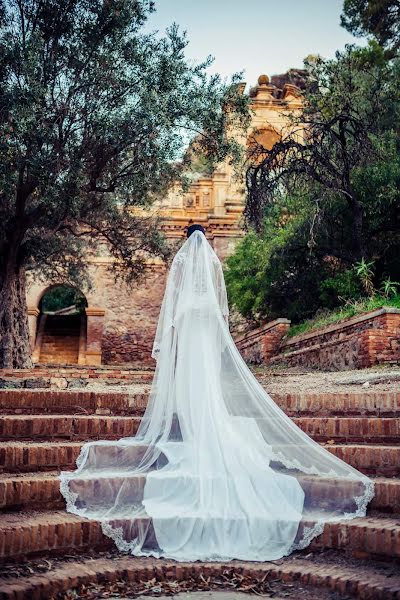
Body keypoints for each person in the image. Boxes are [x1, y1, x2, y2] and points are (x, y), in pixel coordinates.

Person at [60, 224, 374, 562]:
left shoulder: (180, 264)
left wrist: (170, 339)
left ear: (185, 239)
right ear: (206, 239)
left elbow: (172, 308)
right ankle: (210, 421)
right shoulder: (213, 264)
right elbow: (222, 312)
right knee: (207, 382)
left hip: (190, 326)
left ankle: (197, 423)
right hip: (207, 328)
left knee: (192, 381)